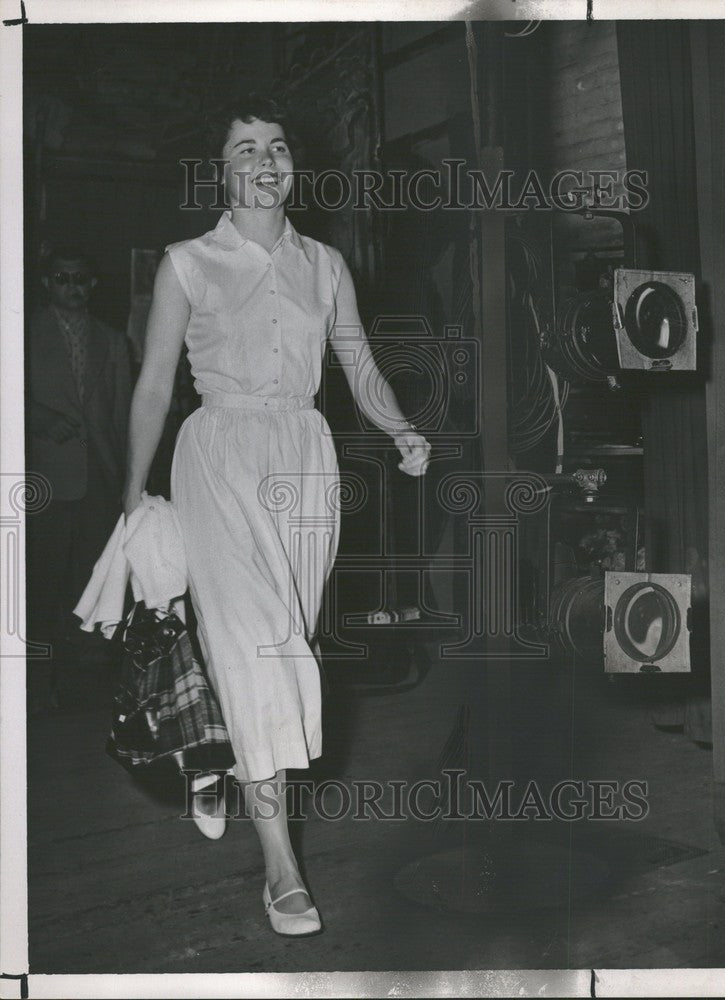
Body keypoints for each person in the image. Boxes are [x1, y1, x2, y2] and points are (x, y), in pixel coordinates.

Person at [122, 95, 430, 937]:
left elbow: (358, 364)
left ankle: (210, 748)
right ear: (220, 171)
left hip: (303, 458)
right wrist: (132, 493)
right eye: (245, 148)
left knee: (284, 641)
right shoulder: (186, 263)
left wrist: (400, 426)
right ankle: (282, 870)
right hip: (216, 453)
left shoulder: (325, 265)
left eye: (278, 147)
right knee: (259, 650)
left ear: (294, 166)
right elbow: (154, 384)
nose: (265, 160)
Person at [26, 248, 132, 713]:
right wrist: (38, 417)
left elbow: (126, 414)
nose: (72, 286)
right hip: (42, 483)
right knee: (41, 585)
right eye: (62, 278)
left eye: (80, 279)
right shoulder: (22, 333)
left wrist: (130, 479)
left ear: (91, 286)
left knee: (92, 587)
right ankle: (33, 687)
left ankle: (81, 691)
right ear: (47, 283)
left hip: (100, 482)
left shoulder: (112, 341)